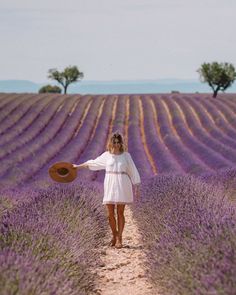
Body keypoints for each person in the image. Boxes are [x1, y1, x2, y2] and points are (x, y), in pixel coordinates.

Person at [72, 131, 141, 249]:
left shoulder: (126, 156)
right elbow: (94, 163)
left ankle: (119, 238)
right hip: (110, 183)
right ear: (111, 143)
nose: (116, 145)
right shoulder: (106, 155)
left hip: (122, 183)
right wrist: (78, 167)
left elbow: (133, 170)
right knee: (110, 213)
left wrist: (137, 186)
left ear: (121, 143)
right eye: (114, 142)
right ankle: (114, 234)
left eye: (118, 142)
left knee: (120, 212)